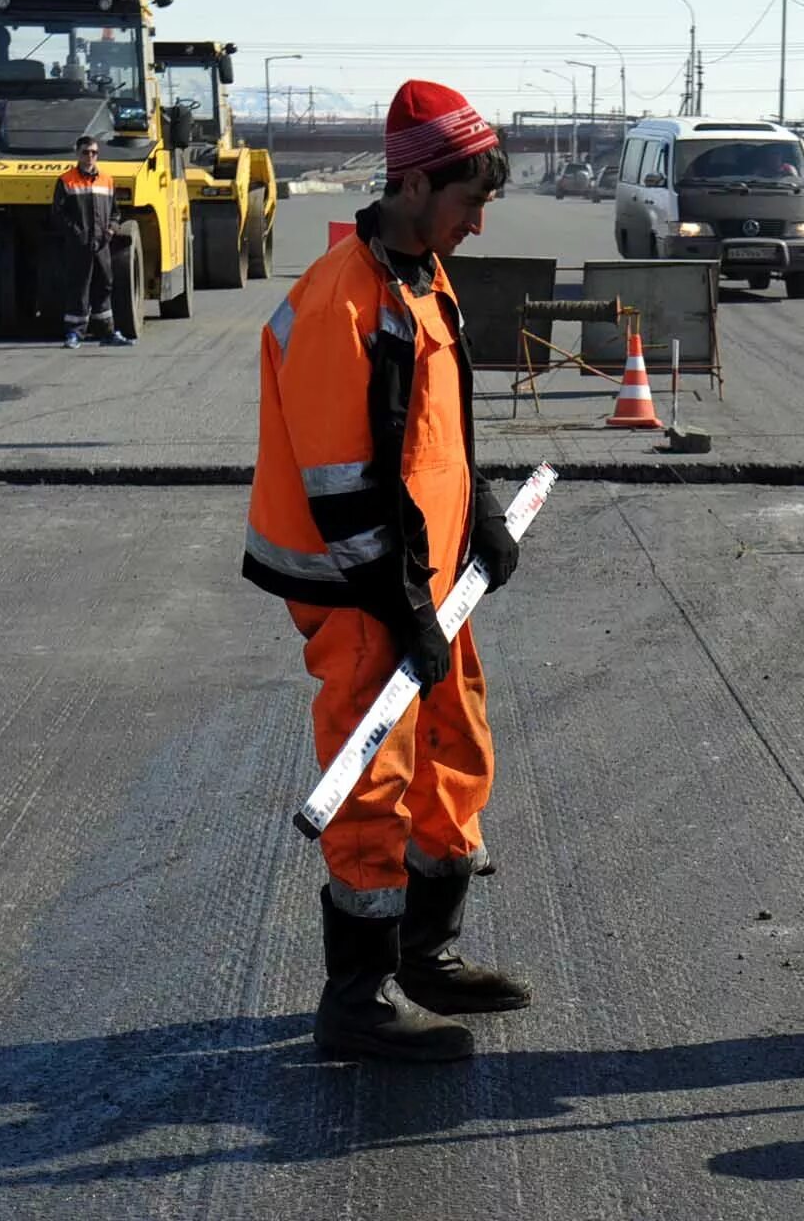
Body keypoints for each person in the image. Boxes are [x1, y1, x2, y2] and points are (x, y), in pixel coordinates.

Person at [243, 79, 522, 1064]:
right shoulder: (337, 304)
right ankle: (356, 999)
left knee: (454, 755)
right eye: (467, 205)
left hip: (433, 578)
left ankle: (426, 955)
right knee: (376, 781)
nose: (477, 227)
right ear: (411, 188)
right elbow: (340, 485)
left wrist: (479, 511)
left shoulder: (423, 275)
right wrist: (401, 605)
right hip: (367, 592)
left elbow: (438, 426)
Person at [52, 135, 129, 349]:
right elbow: (58, 213)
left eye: (94, 152)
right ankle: (74, 333)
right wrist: (76, 233)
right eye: (86, 152)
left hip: (102, 243)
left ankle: (106, 332)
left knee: (104, 284)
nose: (90, 156)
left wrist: (111, 230)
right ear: (77, 153)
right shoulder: (66, 180)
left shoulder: (107, 180)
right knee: (79, 286)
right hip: (79, 244)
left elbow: (115, 212)